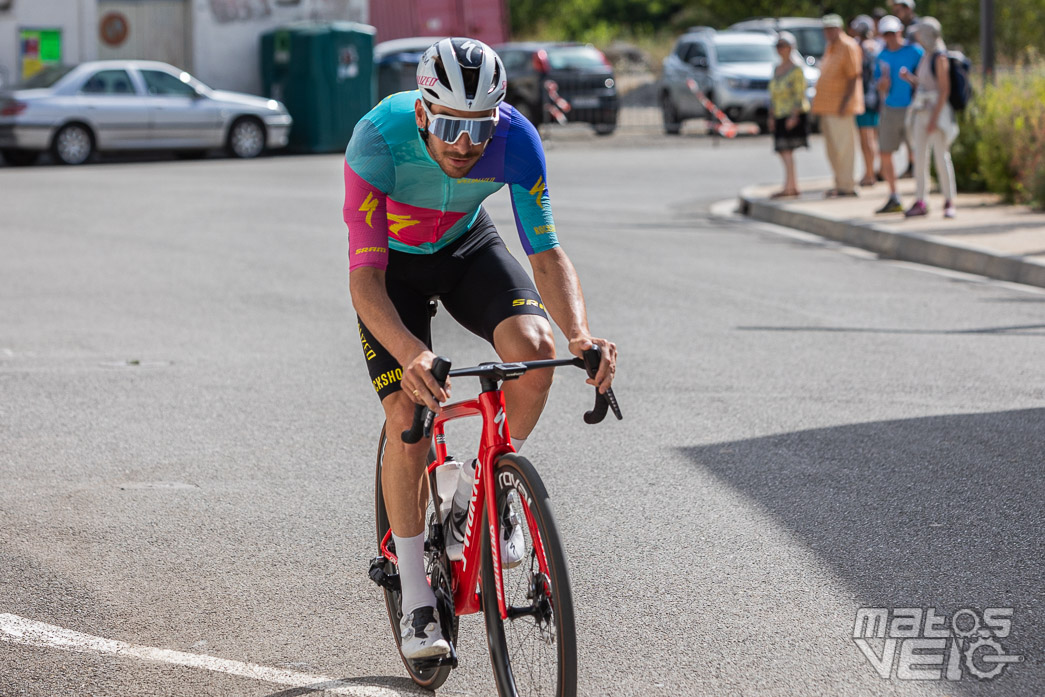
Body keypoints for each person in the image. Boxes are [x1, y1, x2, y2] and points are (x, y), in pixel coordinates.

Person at [343, 38, 617, 661]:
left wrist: (580, 335)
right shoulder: (376, 140)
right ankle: (415, 592)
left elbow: (544, 250)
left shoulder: (516, 141)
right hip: (393, 273)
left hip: (467, 249)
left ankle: (476, 491)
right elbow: (363, 280)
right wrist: (411, 353)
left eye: (478, 127)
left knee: (535, 347)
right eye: (447, 126)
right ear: (421, 114)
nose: (465, 145)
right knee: (409, 416)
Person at [899, 18, 958, 218]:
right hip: (921, 112)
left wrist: (934, 118)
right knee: (920, 159)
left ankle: (949, 200)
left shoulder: (940, 57)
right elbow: (925, 85)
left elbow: (944, 90)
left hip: (936, 115)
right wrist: (910, 79)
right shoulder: (926, 55)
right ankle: (921, 200)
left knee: (941, 158)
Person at [873, 14, 924, 213]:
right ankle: (894, 196)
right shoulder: (881, 56)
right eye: (886, 34)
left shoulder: (915, 52)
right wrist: (882, 84)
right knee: (885, 152)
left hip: (913, 109)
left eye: (893, 33)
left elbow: (925, 82)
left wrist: (909, 78)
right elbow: (879, 85)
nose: (890, 37)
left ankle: (920, 196)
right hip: (889, 109)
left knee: (916, 152)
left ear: (900, 32)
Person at [811, 14, 865, 198]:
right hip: (827, 106)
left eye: (830, 29)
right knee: (833, 149)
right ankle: (839, 183)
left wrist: (845, 102)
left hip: (841, 107)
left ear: (838, 28)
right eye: (825, 29)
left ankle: (847, 185)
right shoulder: (831, 47)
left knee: (844, 148)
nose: (827, 32)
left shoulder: (848, 46)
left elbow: (853, 77)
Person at [767, 31, 810, 198]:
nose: (780, 49)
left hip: (792, 114)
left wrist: (794, 115)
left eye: (783, 45)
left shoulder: (797, 68)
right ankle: (790, 185)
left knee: (787, 151)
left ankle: (791, 186)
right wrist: (771, 116)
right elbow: (772, 94)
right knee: (783, 151)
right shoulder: (776, 68)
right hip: (779, 112)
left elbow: (800, 94)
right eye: (778, 46)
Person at [851, 15, 881, 187]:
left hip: (864, 98)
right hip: (875, 98)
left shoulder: (862, 48)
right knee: (872, 137)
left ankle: (869, 174)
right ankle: (871, 171)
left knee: (866, 138)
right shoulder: (877, 45)